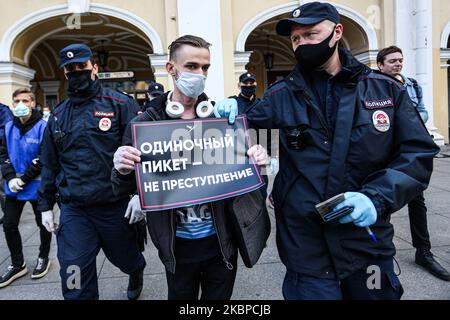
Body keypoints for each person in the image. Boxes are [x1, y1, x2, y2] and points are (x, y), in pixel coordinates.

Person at [215, 2, 440, 300]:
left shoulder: (384, 90)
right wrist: (222, 113)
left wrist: (376, 197)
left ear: (336, 32)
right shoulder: (281, 94)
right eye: (296, 39)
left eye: (310, 34)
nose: (302, 44)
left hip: (366, 242)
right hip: (305, 243)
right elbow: (231, 133)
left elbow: (418, 154)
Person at [111, 35, 270, 300]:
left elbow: (248, 180)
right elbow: (121, 186)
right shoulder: (144, 125)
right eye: (192, 66)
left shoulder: (222, 119)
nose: (200, 73)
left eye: (205, 67)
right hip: (177, 246)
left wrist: (258, 160)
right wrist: (122, 168)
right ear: (171, 68)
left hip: (221, 242)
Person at [37, 43, 146, 300]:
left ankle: (136, 270)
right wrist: (44, 206)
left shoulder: (120, 104)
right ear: (64, 73)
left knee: (126, 258)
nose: (77, 72)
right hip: (75, 209)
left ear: (94, 68)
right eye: (70, 68)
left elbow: (141, 152)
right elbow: (49, 162)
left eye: (82, 67)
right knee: (73, 270)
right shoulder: (57, 115)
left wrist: (140, 194)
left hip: (114, 204)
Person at [377, 45, 450, 281]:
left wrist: (408, 119)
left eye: (400, 60)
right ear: (380, 65)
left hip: (407, 151)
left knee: (417, 201)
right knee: (382, 201)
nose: (398, 64)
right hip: (382, 153)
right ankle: (379, 252)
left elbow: (422, 112)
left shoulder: (411, 85)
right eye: (392, 61)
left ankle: (424, 252)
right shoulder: (372, 86)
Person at [0, 89, 52, 288]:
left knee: (43, 224)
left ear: (32, 103)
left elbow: (44, 155)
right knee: (9, 224)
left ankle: (43, 257)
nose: (20, 104)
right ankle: (17, 263)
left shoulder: (43, 126)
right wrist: (10, 176)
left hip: (37, 185)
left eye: (25, 100)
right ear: (12, 105)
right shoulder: (8, 127)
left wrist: (25, 177)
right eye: (16, 101)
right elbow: (3, 153)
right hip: (13, 185)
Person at [0, 102, 13, 225]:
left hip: (1, 153)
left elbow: (6, 130)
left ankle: (8, 214)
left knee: (2, 186)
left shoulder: (3, 110)